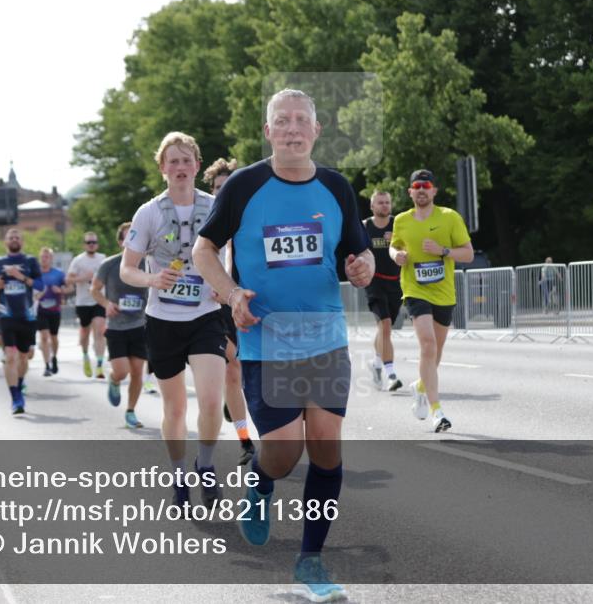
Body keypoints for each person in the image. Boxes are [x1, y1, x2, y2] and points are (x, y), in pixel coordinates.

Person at [194, 88, 373, 602]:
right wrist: (231, 293)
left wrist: (362, 268)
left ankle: (310, 560)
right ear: (268, 131)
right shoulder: (245, 186)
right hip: (266, 340)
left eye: (301, 120)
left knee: (326, 447)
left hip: (325, 338)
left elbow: (357, 254)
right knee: (283, 454)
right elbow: (204, 249)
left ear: (316, 130)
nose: (293, 128)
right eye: (282, 120)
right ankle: (261, 480)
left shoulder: (336, 187)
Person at [122, 131, 228, 512]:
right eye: (173, 161)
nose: (180, 167)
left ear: (197, 166)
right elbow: (127, 269)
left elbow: (232, 251)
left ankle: (206, 466)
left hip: (205, 315)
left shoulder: (216, 206)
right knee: (176, 409)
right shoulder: (148, 213)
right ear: (162, 168)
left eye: (186, 160)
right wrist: (153, 279)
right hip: (163, 319)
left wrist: (227, 286)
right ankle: (179, 475)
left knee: (212, 401)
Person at [389, 169, 474, 433]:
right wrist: (395, 255)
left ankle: (420, 385)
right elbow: (394, 245)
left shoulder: (449, 217)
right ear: (410, 192)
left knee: (435, 351)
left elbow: (468, 254)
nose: (422, 190)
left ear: (434, 190)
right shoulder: (402, 220)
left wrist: (443, 251)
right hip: (415, 290)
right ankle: (437, 411)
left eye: (426, 186)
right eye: (417, 186)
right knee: (427, 344)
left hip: (444, 293)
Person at [203, 157, 256, 466]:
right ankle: (245, 441)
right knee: (233, 367)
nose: (223, 193)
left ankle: (233, 400)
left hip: (246, 299)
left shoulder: (250, 215)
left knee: (250, 371)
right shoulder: (203, 220)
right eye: (218, 188)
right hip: (214, 306)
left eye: (228, 187)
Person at [92, 222, 147, 429]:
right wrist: (107, 304)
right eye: (128, 237)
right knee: (122, 371)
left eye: (136, 236)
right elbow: (94, 289)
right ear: (120, 242)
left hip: (140, 324)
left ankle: (131, 411)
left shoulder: (148, 263)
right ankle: (114, 380)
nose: (133, 241)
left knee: (137, 371)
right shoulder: (109, 264)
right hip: (116, 326)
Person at [0, 228, 42, 415]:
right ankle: (16, 398)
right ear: (5, 241)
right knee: (10, 356)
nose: (14, 239)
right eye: (10, 237)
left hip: (27, 316)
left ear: (22, 241)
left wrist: (21, 277)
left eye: (17, 237)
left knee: (24, 356)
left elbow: (40, 284)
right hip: (6, 315)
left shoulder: (30, 261)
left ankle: (19, 384)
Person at [363, 190, 404, 392]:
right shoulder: (365, 227)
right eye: (380, 202)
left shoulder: (399, 224)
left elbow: (408, 247)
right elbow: (354, 250)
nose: (384, 205)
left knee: (384, 330)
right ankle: (391, 374)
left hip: (396, 283)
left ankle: (376, 363)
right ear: (372, 206)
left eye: (387, 202)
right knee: (385, 325)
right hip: (374, 282)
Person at [68, 232, 107, 378]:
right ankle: (85, 356)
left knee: (100, 330)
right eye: (89, 242)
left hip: (99, 300)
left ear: (97, 244)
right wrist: (84, 277)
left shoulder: (103, 259)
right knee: (85, 332)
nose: (91, 244)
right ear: (84, 244)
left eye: (94, 242)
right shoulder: (78, 260)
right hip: (83, 302)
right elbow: (69, 279)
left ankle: (99, 365)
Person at [35, 247, 67, 377]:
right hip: (40, 309)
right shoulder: (35, 274)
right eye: (42, 257)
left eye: (47, 257)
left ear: (51, 259)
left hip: (55, 310)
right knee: (44, 336)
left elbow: (70, 287)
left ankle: (54, 358)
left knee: (54, 337)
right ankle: (47, 365)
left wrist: (61, 290)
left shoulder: (59, 273)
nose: (44, 259)